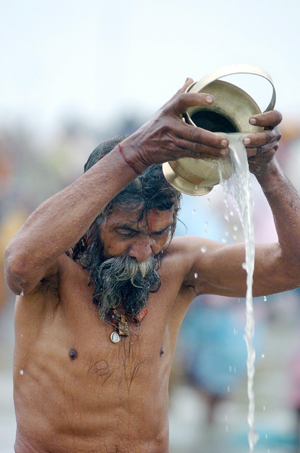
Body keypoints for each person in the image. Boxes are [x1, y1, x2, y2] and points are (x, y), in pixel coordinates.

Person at [4, 78, 300, 453]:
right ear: (91, 219)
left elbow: (294, 266)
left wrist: (268, 170)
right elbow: (16, 267)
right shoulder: (51, 269)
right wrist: (137, 152)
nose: (144, 252)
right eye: (126, 231)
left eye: (159, 233)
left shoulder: (181, 267)